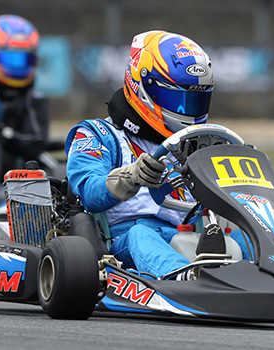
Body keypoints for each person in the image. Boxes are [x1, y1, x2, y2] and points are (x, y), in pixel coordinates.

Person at [65, 30, 226, 279]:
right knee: (143, 237)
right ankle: (184, 278)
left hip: (192, 235)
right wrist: (129, 177)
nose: (187, 111)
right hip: (124, 238)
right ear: (143, 86)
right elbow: (88, 191)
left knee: (239, 239)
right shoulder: (97, 134)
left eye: (196, 101)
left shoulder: (198, 143)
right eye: (178, 98)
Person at [0, 14, 50, 180]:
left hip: (6, 174)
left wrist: (2, 134)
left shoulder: (32, 99)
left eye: (23, 59)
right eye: (10, 58)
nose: (17, 66)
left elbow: (35, 145)